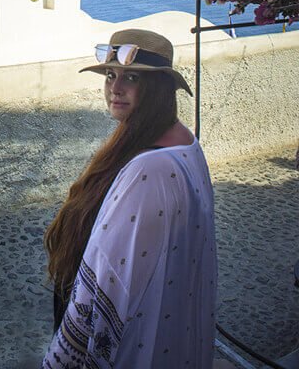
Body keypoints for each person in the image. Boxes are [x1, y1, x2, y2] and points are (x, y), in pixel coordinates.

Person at [42, 29, 217, 368]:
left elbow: (112, 278)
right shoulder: (178, 139)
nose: (115, 88)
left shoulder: (151, 167)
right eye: (110, 75)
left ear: (158, 90)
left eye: (132, 78)